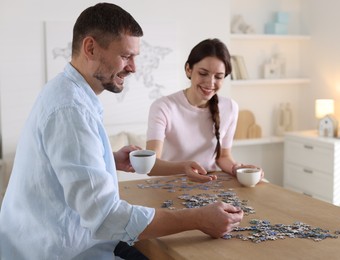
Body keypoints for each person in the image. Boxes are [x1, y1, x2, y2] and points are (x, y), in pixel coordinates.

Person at [0, 3, 243, 259]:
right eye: (127, 56)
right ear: (90, 48)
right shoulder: (71, 109)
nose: (133, 68)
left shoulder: (67, 92)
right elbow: (106, 218)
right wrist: (197, 218)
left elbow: (64, 163)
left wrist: (109, 158)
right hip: (60, 252)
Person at [146, 38, 264, 182]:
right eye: (203, 73)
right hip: (169, 185)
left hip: (210, 184)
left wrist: (237, 169)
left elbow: (223, 157)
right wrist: (185, 168)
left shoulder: (230, 108)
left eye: (218, 77)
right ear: (188, 69)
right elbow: (150, 166)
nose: (210, 82)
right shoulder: (163, 107)